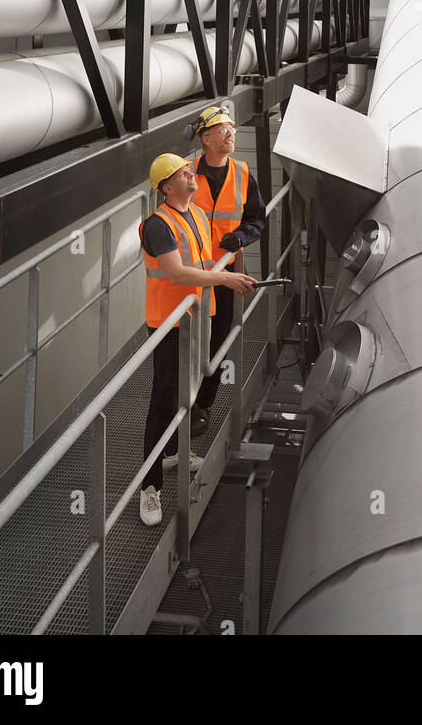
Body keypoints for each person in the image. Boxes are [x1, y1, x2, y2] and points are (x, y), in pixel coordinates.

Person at [139, 153, 257, 528]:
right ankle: (149, 486)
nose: (192, 175)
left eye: (190, 171)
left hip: (195, 319)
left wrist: (236, 274)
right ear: (167, 186)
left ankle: (175, 451)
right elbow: (175, 274)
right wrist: (225, 281)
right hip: (169, 324)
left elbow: (207, 262)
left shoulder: (196, 215)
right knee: (163, 399)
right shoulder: (159, 225)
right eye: (184, 173)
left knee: (188, 392)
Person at [185, 106, 267, 435]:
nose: (231, 133)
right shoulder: (186, 174)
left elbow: (257, 219)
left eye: (231, 128)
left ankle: (202, 406)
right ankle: (183, 405)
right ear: (205, 139)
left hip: (225, 275)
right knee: (189, 343)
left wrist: (241, 237)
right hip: (191, 275)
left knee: (217, 343)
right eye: (222, 130)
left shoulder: (244, 173)